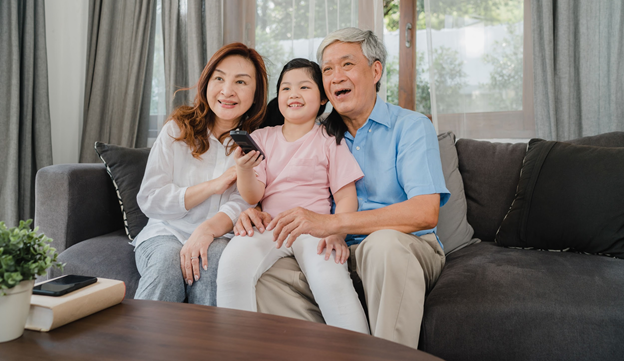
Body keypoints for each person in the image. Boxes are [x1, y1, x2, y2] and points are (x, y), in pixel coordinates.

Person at [234, 28, 450, 349]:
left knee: (383, 246)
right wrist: (250, 211)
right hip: (336, 253)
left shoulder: (411, 126)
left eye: (347, 65)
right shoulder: (319, 136)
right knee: (266, 277)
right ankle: (346, 350)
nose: (336, 76)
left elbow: (425, 212)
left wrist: (334, 224)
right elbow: (280, 183)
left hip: (403, 247)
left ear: (375, 71)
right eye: (327, 69)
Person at [217, 59, 370, 334]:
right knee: (231, 267)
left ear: (323, 98)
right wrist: (243, 169)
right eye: (286, 88)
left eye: (303, 87)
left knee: (331, 281)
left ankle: (360, 351)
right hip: (270, 226)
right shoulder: (263, 137)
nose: (293, 94)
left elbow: (346, 197)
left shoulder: (329, 140)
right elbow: (254, 194)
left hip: (315, 228)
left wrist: (336, 233)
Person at [133, 42, 268, 306]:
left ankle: (206, 347)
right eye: (219, 78)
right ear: (206, 83)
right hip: (165, 232)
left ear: (256, 94)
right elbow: (150, 198)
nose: (227, 91)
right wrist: (213, 186)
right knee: (166, 264)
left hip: (220, 236)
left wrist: (206, 230)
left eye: (241, 82)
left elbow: (244, 201)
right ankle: (141, 346)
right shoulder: (177, 129)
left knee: (214, 263)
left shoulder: (255, 141)